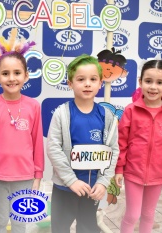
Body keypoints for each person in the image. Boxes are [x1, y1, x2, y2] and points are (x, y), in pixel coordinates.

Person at [0, 28, 44, 233]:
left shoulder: (33, 106)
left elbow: (37, 143)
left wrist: (38, 175)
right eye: (5, 73)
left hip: (24, 175)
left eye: (17, 73)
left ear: (26, 75)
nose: (11, 78)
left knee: (20, 222)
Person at [46, 54, 120, 233]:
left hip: (93, 188)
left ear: (100, 83)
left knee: (88, 227)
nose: (87, 84)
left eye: (93, 79)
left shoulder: (108, 116)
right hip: (65, 187)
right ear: (70, 83)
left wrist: (103, 182)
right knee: (60, 228)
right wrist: (72, 181)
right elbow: (53, 148)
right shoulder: (62, 113)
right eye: (81, 79)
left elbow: (113, 150)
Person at [114, 59, 162, 233]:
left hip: (158, 175)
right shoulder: (131, 111)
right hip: (132, 173)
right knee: (132, 215)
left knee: (148, 214)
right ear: (140, 82)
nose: (153, 87)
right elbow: (121, 143)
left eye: (160, 83)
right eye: (148, 81)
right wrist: (119, 169)